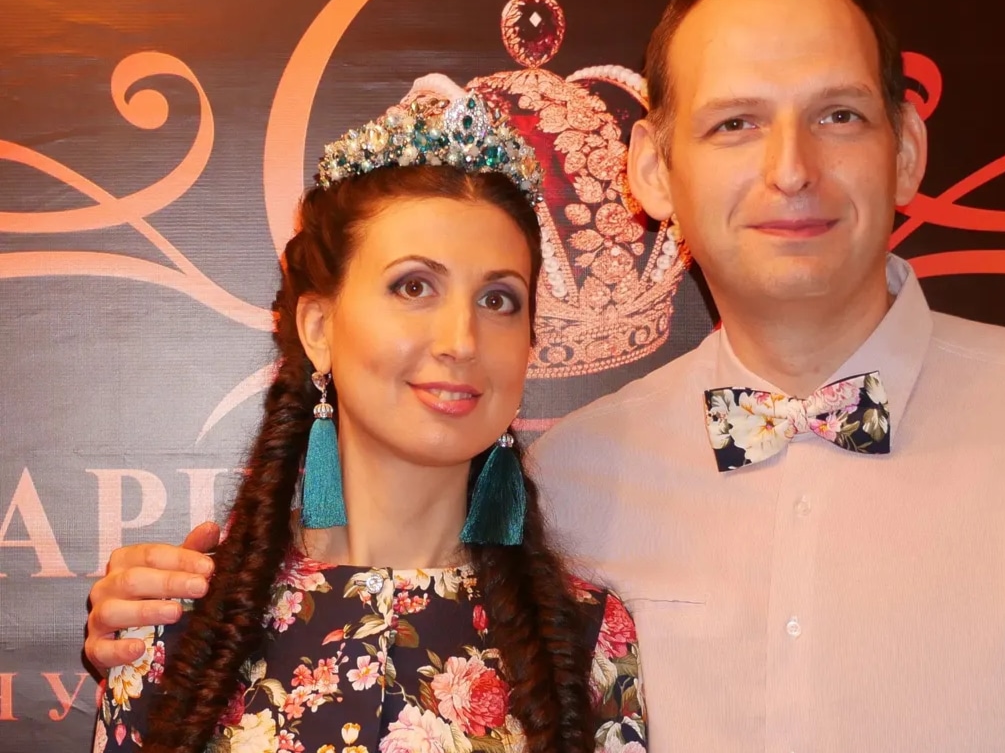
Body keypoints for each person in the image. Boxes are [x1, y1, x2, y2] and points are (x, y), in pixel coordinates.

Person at [86, 0, 1005, 752]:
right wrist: (169, 615)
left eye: (838, 114)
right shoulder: (571, 485)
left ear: (905, 150)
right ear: (650, 167)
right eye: (735, 122)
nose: (790, 169)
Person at [88, 77, 646, 753]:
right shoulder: (174, 625)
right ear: (319, 327)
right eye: (414, 286)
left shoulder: (588, 643)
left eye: (498, 299)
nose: (461, 340)